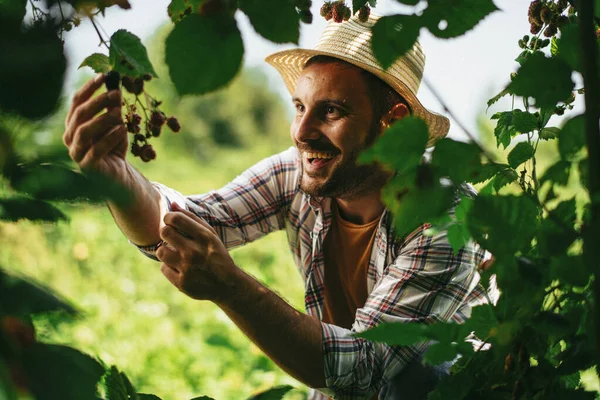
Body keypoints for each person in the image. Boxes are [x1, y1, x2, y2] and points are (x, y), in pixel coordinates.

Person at [63, 13, 491, 400]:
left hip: (445, 392)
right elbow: (185, 223)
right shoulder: (300, 173)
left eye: (332, 111)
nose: (302, 132)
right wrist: (117, 176)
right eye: (300, 107)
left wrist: (231, 287)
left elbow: (369, 367)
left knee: (422, 375)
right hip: (337, 391)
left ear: (393, 121)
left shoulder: (446, 215)